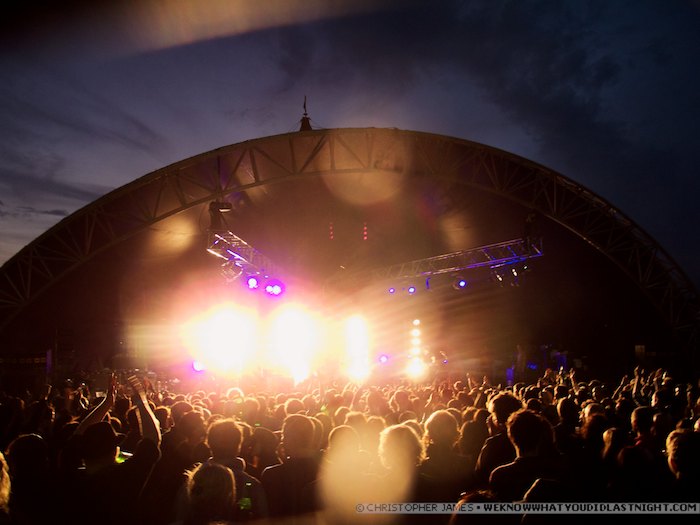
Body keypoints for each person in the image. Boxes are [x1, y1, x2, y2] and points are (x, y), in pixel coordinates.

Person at [261, 413, 321, 520]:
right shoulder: (324, 473)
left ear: (289, 439)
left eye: (283, 436)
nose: (282, 440)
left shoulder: (272, 475)